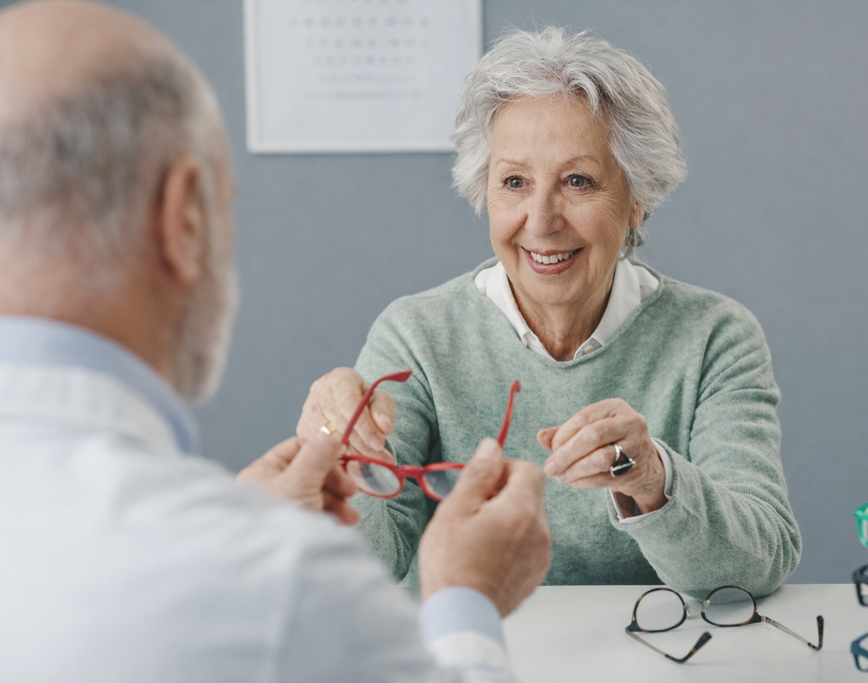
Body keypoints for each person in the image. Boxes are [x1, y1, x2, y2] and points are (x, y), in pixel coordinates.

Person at [0, 2, 551, 681]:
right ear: (186, 220)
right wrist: (467, 598)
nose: (542, 218)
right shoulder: (274, 582)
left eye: (578, 180)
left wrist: (245, 521)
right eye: (228, 205)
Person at [299, 27, 802, 599]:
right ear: (483, 192)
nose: (541, 220)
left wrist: (653, 478)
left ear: (637, 199)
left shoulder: (715, 337)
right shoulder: (416, 335)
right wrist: (339, 462)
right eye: (514, 182)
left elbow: (760, 563)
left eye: (577, 181)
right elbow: (370, 568)